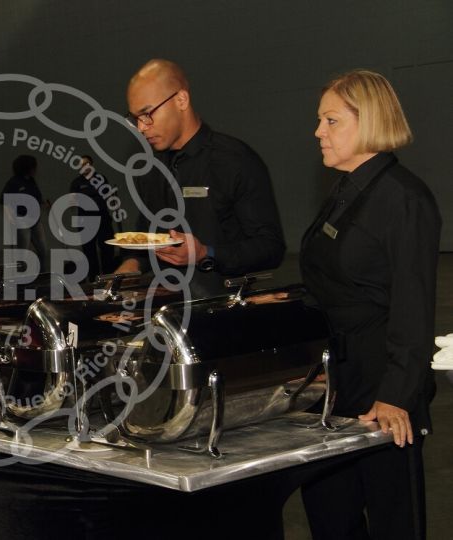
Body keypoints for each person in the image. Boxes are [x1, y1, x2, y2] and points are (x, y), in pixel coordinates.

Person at [299, 69, 440, 539]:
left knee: (393, 521)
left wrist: (396, 395)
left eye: (331, 121)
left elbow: (413, 307)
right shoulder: (346, 190)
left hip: (382, 390)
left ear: (370, 121)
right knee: (330, 515)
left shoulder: (404, 199)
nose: (318, 132)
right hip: (337, 384)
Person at [116, 59, 285, 296]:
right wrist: (131, 265)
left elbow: (270, 248)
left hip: (224, 308)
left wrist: (206, 253)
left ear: (181, 100)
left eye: (147, 114)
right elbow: (146, 237)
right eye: (135, 119)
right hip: (164, 307)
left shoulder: (235, 161)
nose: (142, 127)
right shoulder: (149, 169)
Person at [1, 154, 50, 272]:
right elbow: (4, 201)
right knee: (23, 253)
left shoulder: (32, 181)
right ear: (27, 168)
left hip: (35, 220)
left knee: (43, 250)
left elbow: (36, 197)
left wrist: (44, 203)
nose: (35, 170)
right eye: (34, 167)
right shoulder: (14, 182)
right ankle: (21, 276)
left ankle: (42, 273)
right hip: (22, 220)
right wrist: (9, 216)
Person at [69, 155, 116, 280]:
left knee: (107, 249)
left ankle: (109, 278)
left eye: (86, 164)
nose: (84, 167)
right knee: (89, 252)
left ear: (91, 165)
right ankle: (93, 280)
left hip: (102, 219)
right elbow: (72, 201)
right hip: (85, 221)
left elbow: (108, 196)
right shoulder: (76, 182)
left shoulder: (101, 178)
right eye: (81, 165)